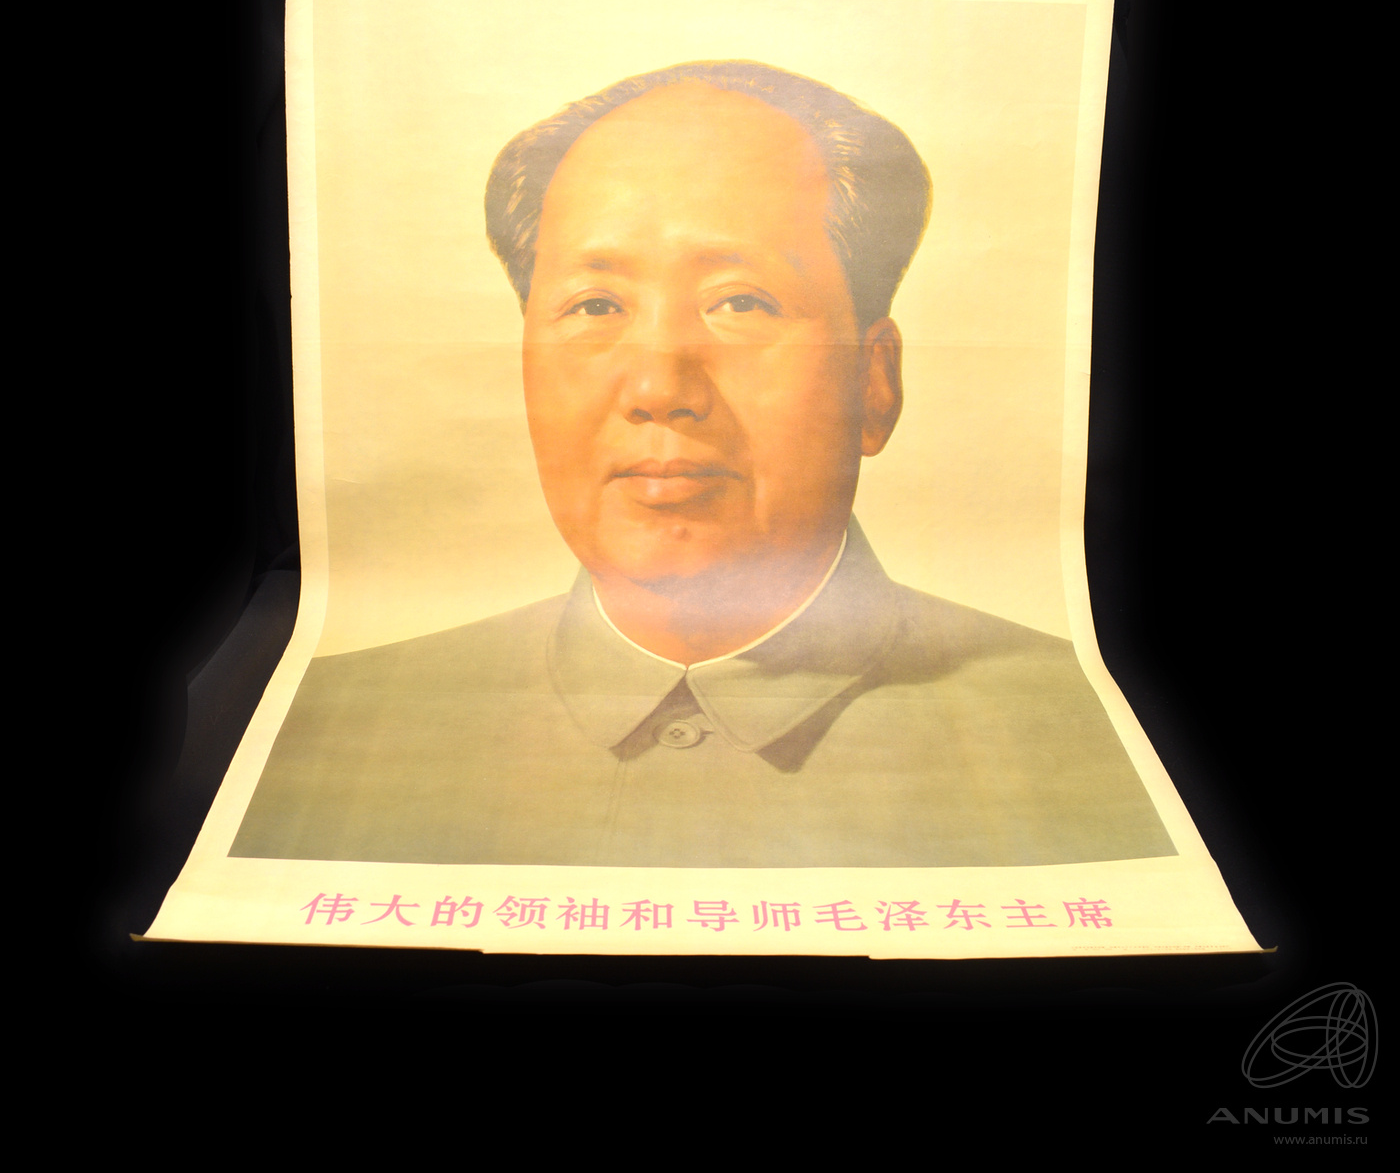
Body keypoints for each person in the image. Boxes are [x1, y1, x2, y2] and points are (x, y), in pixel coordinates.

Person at [232, 60, 1174, 868]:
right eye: (595, 307)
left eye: (742, 303)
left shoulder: (1090, 733)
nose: (659, 387)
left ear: (875, 382)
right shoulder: (338, 727)